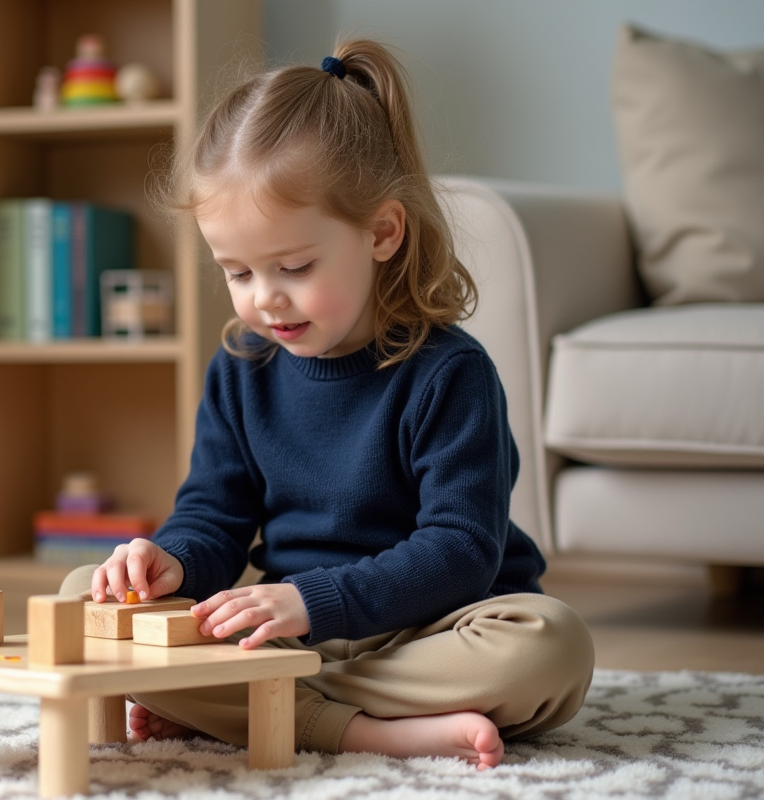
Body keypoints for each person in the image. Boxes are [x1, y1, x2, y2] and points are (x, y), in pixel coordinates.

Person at [60, 38, 594, 770]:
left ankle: (274, 709)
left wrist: (312, 601)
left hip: (430, 630)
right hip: (288, 631)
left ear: (381, 232)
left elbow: (462, 552)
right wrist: (170, 563)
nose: (264, 297)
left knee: (552, 645)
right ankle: (362, 728)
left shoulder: (450, 374)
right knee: (84, 601)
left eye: (294, 267)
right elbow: (213, 517)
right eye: (237, 272)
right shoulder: (241, 370)